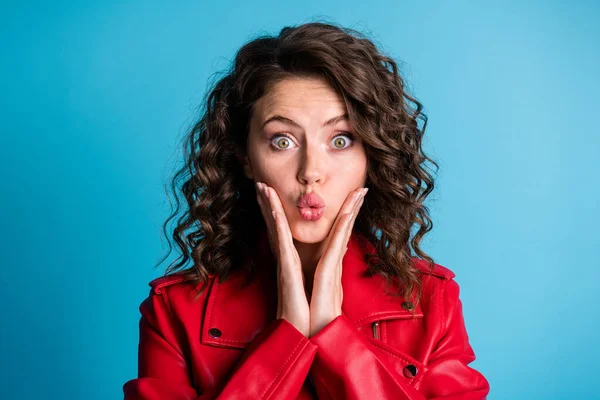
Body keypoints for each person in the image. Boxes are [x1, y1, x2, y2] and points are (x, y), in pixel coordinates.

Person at [122, 21, 490, 399]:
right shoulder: (175, 311)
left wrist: (334, 334)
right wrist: (287, 337)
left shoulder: (431, 300)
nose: (311, 171)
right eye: (282, 141)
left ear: (370, 157)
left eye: (341, 139)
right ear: (246, 158)